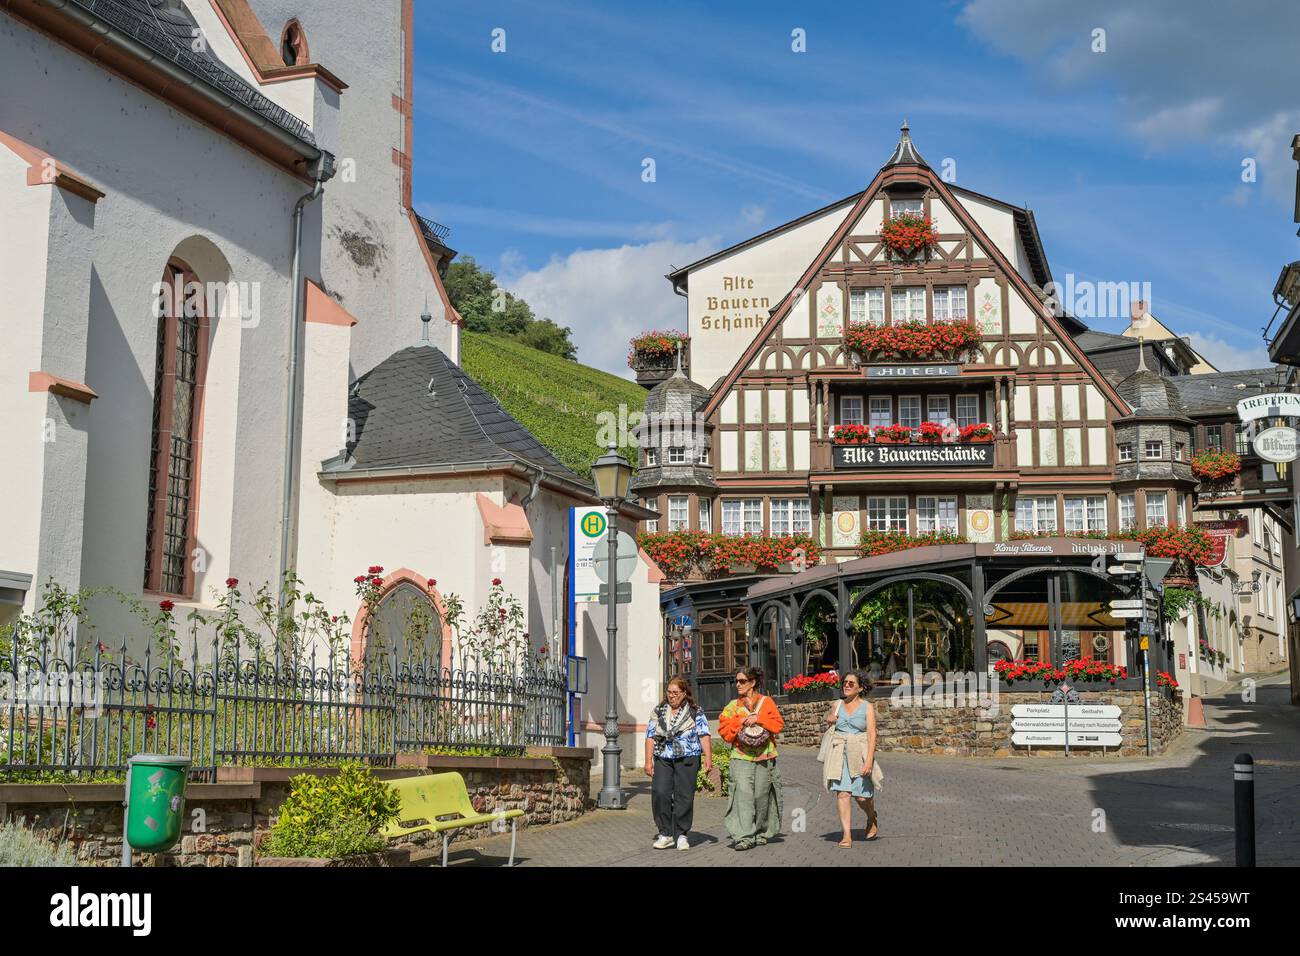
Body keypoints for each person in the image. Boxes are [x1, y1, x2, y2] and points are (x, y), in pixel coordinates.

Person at [718, 666, 785, 850]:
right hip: (740, 757)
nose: (738, 684)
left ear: (752, 683)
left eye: (742, 681)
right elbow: (724, 731)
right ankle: (744, 836)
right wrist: (739, 721)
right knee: (743, 796)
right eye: (736, 681)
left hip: (765, 756)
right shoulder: (733, 706)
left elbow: (778, 725)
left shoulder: (767, 702)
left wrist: (759, 719)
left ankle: (761, 832)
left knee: (762, 795)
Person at [644, 677, 712, 850]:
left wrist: (708, 758)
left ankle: (681, 834)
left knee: (684, 796)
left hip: (688, 758)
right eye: (669, 692)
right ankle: (665, 833)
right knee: (660, 792)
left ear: (684, 693)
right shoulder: (659, 711)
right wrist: (647, 761)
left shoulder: (695, 711)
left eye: (675, 693)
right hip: (663, 757)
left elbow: (704, 734)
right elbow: (650, 736)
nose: (671, 696)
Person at [820, 669, 878, 848]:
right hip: (839, 753)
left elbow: (872, 735)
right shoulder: (837, 704)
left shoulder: (867, 707)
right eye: (844, 682)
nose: (846, 685)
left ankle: (871, 817)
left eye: (851, 683)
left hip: (859, 753)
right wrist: (829, 719)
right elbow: (830, 722)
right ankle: (846, 835)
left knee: (862, 798)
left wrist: (869, 760)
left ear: (860, 688)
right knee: (843, 794)